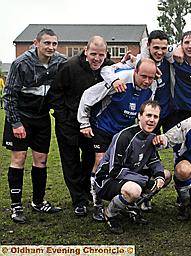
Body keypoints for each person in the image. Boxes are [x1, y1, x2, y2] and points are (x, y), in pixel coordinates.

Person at [78, 58, 157, 221]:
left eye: (151, 77)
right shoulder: (119, 79)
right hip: (103, 126)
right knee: (100, 162)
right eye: (143, 76)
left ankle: (124, 199)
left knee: (123, 165)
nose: (147, 81)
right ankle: (97, 203)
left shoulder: (151, 87)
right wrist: (84, 123)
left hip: (123, 132)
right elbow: (88, 95)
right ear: (135, 72)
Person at [3, 28, 66, 223]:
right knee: (18, 159)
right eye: (47, 43)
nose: (51, 47)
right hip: (21, 118)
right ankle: (16, 206)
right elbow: (9, 95)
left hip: (42, 118)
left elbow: (81, 63)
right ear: (36, 43)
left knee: (41, 160)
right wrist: (16, 123)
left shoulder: (59, 61)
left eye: (54, 44)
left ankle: (38, 202)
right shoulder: (21, 63)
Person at [49, 36, 114, 218]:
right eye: (93, 54)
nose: (97, 59)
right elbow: (55, 95)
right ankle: (77, 200)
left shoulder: (107, 67)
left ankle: (86, 192)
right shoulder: (69, 67)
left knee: (89, 159)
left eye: (101, 55)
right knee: (70, 162)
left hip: (92, 125)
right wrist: (62, 118)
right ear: (86, 51)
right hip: (68, 123)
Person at [95, 100, 171, 234]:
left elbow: (154, 161)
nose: (151, 120)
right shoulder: (124, 137)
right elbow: (114, 171)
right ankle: (110, 213)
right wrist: (145, 181)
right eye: (148, 115)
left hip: (129, 176)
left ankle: (131, 205)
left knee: (166, 175)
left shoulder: (151, 137)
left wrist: (159, 176)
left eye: (155, 117)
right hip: (106, 180)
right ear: (139, 116)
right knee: (134, 190)